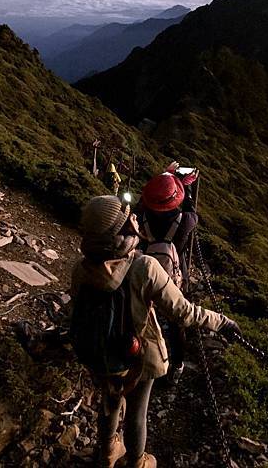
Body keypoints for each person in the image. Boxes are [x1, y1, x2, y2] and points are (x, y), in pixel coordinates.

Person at [71, 195, 240, 468]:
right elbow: (184, 312)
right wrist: (221, 322)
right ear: (121, 230)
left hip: (99, 354)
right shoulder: (144, 267)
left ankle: (107, 453)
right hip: (138, 357)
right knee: (138, 413)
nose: (135, 217)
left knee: (110, 401)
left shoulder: (80, 269)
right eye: (129, 217)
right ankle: (137, 461)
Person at [140, 162, 199, 384]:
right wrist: (186, 187)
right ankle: (177, 366)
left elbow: (144, 200)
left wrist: (165, 175)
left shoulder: (143, 213)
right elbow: (192, 212)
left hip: (145, 268)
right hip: (173, 274)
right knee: (176, 320)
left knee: (142, 309)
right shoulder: (184, 221)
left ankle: (138, 352)